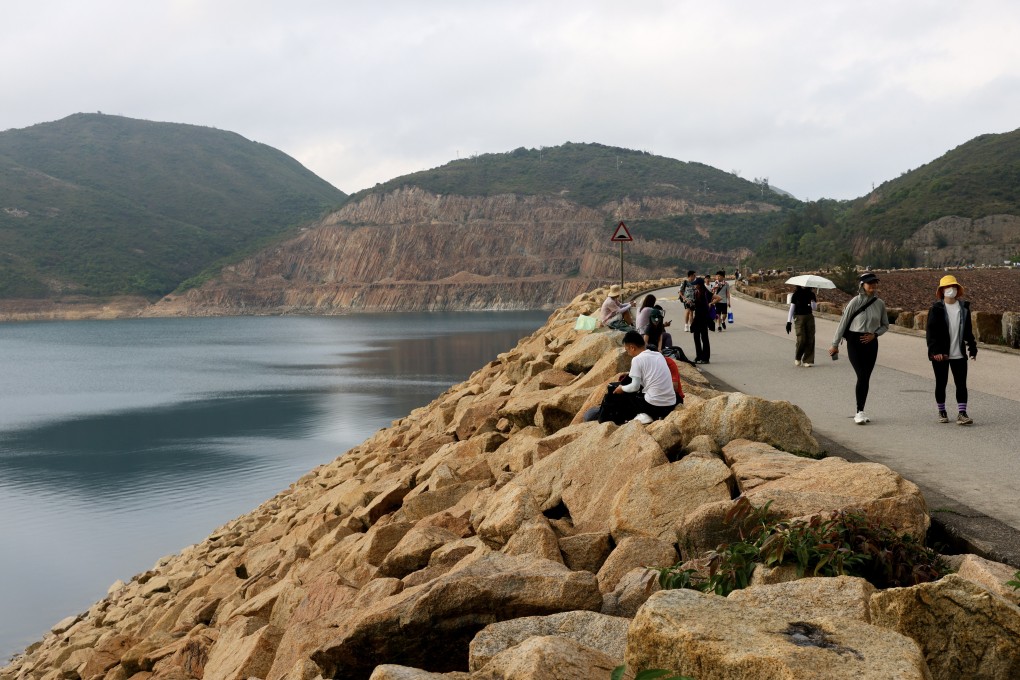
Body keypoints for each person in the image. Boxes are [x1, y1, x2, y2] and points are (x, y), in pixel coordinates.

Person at [828, 272, 889, 424]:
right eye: (870, 283)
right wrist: (835, 344)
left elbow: (885, 325)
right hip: (854, 342)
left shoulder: (879, 303)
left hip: (871, 342)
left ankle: (861, 410)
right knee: (861, 375)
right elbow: (843, 322)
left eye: (875, 283)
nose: (873, 285)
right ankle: (859, 412)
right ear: (862, 285)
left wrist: (875, 334)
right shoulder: (855, 301)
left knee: (866, 377)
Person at [926, 275, 977, 425]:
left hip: (959, 353)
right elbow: (931, 333)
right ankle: (942, 411)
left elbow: (968, 331)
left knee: (961, 384)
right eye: (948, 287)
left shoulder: (964, 309)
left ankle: (962, 413)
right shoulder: (936, 309)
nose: (951, 289)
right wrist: (935, 352)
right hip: (941, 354)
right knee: (941, 383)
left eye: (954, 286)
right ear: (942, 290)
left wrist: (972, 348)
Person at [608, 331, 677, 423]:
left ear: (632, 348)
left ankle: (643, 416)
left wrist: (622, 388)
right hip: (671, 404)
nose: (628, 353)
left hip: (655, 406)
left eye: (627, 350)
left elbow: (635, 387)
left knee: (625, 395)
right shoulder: (658, 355)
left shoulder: (637, 359)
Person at [786, 285, 818, 366]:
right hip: (799, 317)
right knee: (801, 339)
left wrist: (812, 302)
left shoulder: (811, 294)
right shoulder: (796, 294)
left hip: (809, 317)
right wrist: (788, 322)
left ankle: (807, 360)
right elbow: (792, 308)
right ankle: (798, 357)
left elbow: (814, 308)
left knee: (810, 338)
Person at [691, 277, 717, 364]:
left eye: (696, 284)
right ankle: (699, 356)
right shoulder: (696, 293)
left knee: (704, 338)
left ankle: (706, 358)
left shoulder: (706, 293)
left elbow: (718, 298)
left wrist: (711, 303)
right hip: (697, 317)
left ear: (699, 285)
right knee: (696, 337)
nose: (695, 285)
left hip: (703, 318)